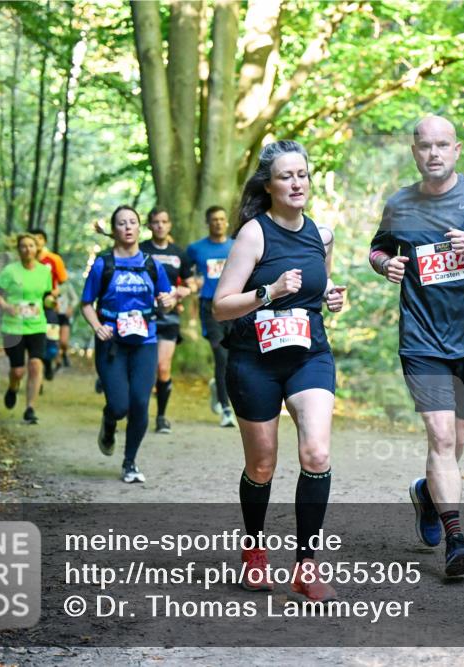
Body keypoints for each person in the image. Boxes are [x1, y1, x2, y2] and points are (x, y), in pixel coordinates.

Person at [368, 115, 464, 578]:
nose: (433, 153)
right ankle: (457, 540)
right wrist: (385, 266)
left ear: (457, 150)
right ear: (413, 152)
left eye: (442, 145)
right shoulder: (399, 204)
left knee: (454, 442)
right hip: (421, 338)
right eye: (424, 146)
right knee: (438, 437)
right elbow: (377, 248)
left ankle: (427, 493)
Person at [213, 140, 346, 602]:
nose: (296, 183)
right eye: (286, 176)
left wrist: (331, 296)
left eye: (303, 175)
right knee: (263, 462)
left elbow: (320, 286)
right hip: (255, 361)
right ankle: (253, 551)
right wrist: (268, 292)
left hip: (310, 355)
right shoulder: (254, 234)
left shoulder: (321, 234)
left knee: (316, 454)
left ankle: (307, 566)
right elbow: (221, 307)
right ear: (268, 185)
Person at [81, 206, 176, 483]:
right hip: (112, 343)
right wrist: (97, 327)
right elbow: (86, 304)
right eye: (122, 223)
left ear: (139, 227)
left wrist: (168, 300)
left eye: (132, 222)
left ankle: (130, 462)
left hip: (145, 341)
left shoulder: (150, 263)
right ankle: (109, 423)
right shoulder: (103, 264)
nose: (128, 227)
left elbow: (166, 295)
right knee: (119, 405)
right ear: (115, 230)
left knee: (139, 403)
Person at [139, 207, 194, 434]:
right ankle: (139, 413)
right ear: (149, 225)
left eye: (164, 221)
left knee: (163, 368)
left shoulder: (178, 253)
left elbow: (191, 283)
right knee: (145, 369)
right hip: (142, 315)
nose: (160, 225)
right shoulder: (140, 250)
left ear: (169, 225)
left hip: (169, 316)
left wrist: (183, 291)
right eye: (155, 222)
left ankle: (161, 416)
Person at [0, 234, 54, 424]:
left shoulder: (44, 272)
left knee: (36, 365)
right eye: (23, 246)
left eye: (31, 246)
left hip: (36, 325)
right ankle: (12, 387)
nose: (27, 249)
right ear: (18, 250)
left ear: (37, 249)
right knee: (18, 371)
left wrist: (51, 302)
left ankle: (30, 408)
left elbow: (46, 296)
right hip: (13, 326)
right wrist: (6, 306)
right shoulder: (10, 271)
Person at [187, 205, 236, 427]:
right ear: (208, 223)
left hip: (235, 304)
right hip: (210, 306)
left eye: (222, 219)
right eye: (214, 219)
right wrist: (190, 283)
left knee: (235, 358)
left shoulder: (236, 246)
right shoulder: (196, 249)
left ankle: (219, 387)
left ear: (226, 222)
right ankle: (226, 410)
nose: (218, 223)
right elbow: (184, 272)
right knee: (221, 355)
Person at [29, 228, 68, 381]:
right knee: (34, 340)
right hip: (31, 304)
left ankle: (48, 362)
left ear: (44, 240)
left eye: (39, 238)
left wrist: (55, 293)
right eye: (34, 238)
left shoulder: (54, 259)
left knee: (52, 339)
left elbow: (64, 282)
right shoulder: (26, 260)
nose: (37, 241)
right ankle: (36, 375)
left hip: (50, 303)